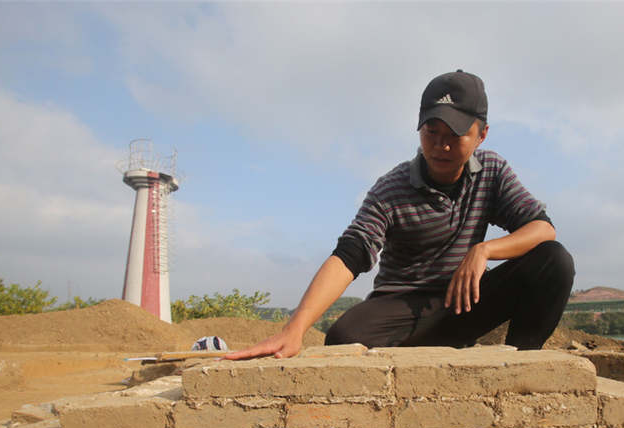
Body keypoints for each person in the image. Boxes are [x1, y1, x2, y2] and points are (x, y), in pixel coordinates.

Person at [225, 70, 575, 360]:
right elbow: (351, 254)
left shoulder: (492, 171)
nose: (442, 146)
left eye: (455, 135)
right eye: (431, 132)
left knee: (553, 261)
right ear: (419, 127)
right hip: (403, 310)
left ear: (481, 134)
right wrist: (296, 327)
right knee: (344, 336)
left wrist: (484, 250)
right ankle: (423, 356)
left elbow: (543, 229)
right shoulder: (391, 189)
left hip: (464, 301)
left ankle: (522, 364)